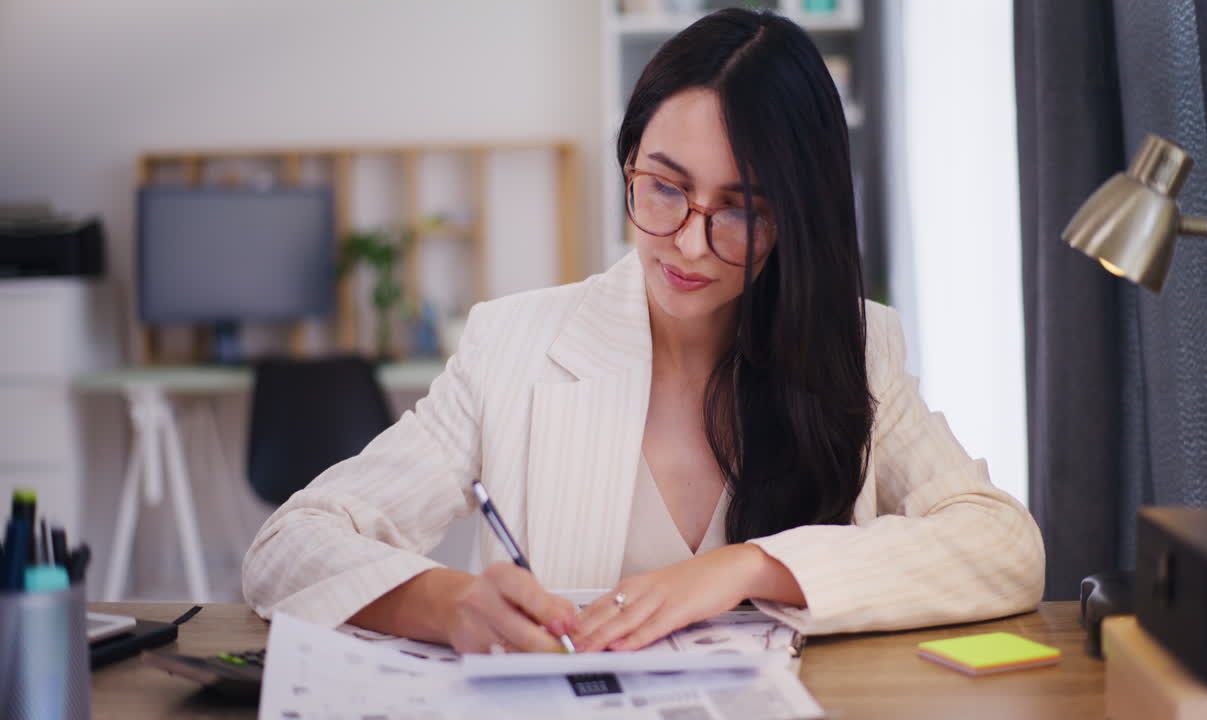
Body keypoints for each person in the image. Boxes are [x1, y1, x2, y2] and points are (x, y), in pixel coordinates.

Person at [242, 8, 1044, 655]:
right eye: (664, 188)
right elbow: (290, 546)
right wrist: (450, 604)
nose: (690, 243)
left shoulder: (855, 352)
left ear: (796, 219)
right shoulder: (514, 347)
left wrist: (750, 567)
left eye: (740, 208)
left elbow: (1003, 545)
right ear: (629, 163)